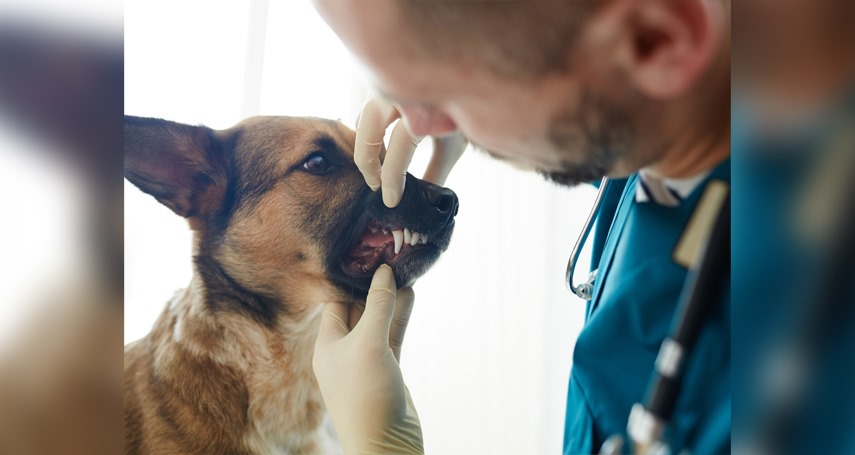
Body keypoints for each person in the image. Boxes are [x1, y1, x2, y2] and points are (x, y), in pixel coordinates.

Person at [310, 1, 731, 454]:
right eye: (394, 88)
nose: (416, 123)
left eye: (443, 92)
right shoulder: (660, 124)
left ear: (657, 42)